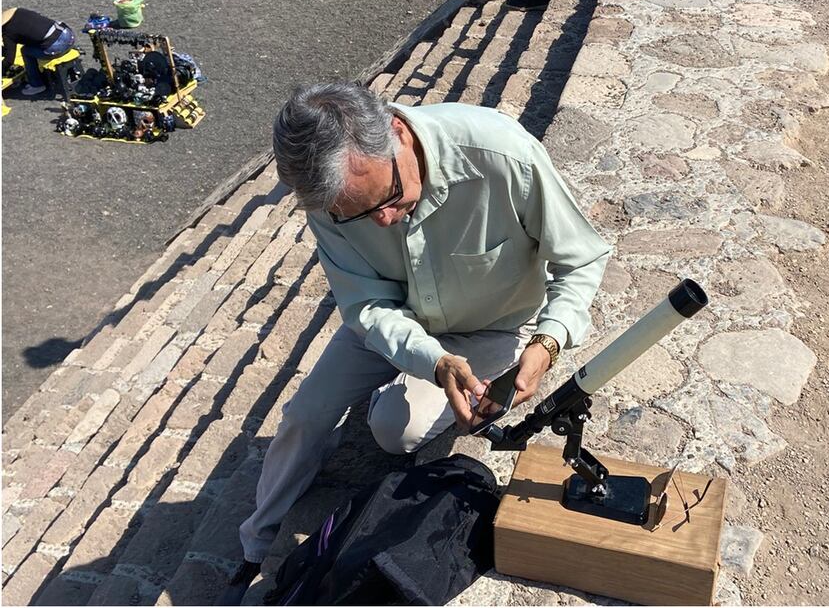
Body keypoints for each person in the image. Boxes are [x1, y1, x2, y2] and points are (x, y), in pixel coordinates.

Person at [220, 81, 610, 602]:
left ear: (397, 133)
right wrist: (432, 360)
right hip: (391, 322)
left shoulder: (502, 153)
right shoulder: (333, 197)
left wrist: (547, 344)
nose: (382, 219)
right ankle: (254, 543)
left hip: (491, 325)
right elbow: (366, 306)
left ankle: (393, 400)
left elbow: (581, 258)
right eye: (359, 213)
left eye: (386, 197)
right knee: (304, 415)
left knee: (394, 433)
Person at [2, 7, 75, 96]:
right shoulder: (18, 11)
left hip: (58, 46)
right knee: (33, 43)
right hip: (68, 35)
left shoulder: (8, 33)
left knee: (25, 51)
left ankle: (37, 85)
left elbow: (9, 60)